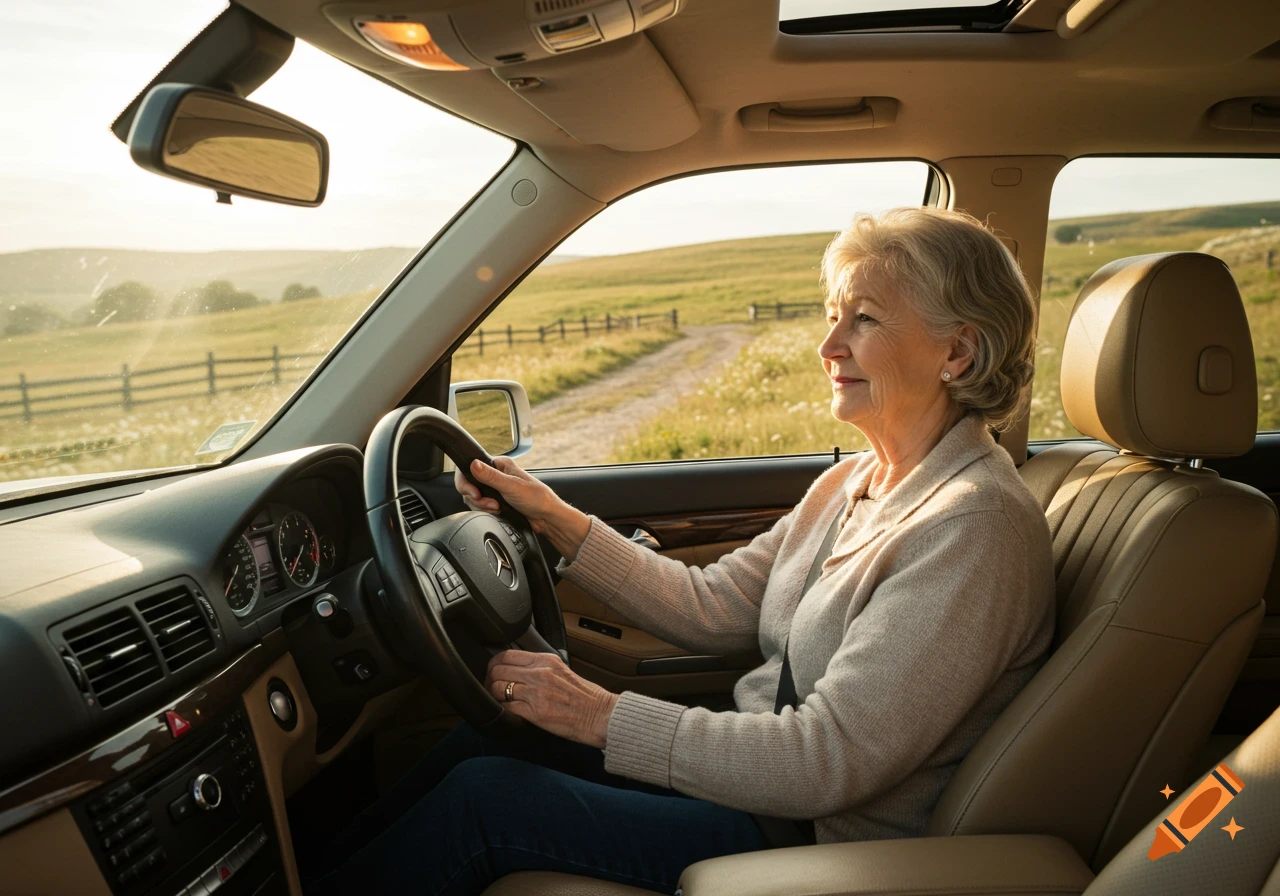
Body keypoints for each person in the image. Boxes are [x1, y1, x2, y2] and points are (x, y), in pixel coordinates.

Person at [308, 207, 1056, 895]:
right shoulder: (856, 480)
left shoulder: (973, 527)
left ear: (956, 353)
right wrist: (555, 520)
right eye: (833, 317)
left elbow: (826, 761)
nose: (828, 347)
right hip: (756, 788)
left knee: (485, 803)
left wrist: (596, 714)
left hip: (812, 840)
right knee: (485, 739)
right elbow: (715, 605)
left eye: (862, 321)